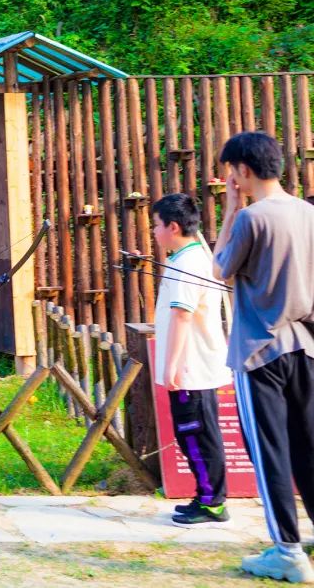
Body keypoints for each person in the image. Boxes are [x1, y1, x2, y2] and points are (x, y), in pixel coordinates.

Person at [212, 132, 314, 583]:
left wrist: (231, 209)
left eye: (231, 171)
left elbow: (219, 269)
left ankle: (287, 551)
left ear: (243, 171)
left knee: (270, 452)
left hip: (260, 352)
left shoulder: (252, 218)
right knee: (310, 447)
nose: (230, 179)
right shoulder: (308, 213)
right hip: (306, 346)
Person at [149, 194, 232, 527]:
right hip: (194, 364)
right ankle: (208, 496)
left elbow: (183, 316)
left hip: (190, 366)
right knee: (199, 433)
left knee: (194, 434)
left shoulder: (187, 263)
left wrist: (171, 366)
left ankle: (212, 501)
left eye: (156, 226)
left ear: (173, 227)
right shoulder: (192, 256)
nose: (154, 232)